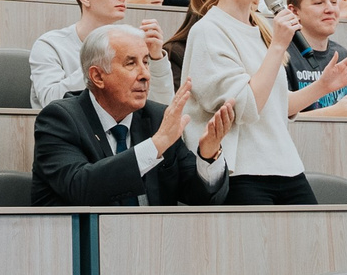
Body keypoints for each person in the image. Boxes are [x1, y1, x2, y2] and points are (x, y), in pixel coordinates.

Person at [181, 0, 347, 203]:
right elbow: (244, 106)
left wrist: (323, 86)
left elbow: (275, 103)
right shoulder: (208, 31)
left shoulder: (261, 27)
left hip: (286, 165)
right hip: (242, 172)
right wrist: (278, 46)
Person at [32, 25, 234, 206]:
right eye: (131, 64)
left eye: (146, 62)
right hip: (81, 242)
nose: (145, 74)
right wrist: (156, 145)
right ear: (98, 76)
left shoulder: (156, 118)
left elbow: (201, 198)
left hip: (152, 242)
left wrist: (209, 155)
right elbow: (81, 188)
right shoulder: (60, 119)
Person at [30, 0, 172, 109]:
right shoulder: (50, 45)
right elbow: (51, 102)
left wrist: (156, 58)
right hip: (70, 131)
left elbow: (163, 107)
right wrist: (99, 57)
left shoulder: (133, 42)